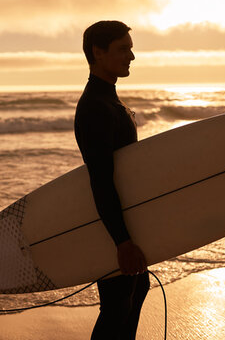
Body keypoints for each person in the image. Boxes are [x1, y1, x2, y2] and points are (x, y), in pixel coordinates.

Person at [74, 20, 149, 340]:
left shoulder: (111, 102)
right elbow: (101, 180)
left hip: (125, 222)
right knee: (117, 304)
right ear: (98, 52)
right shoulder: (95, 108)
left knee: (135, 290)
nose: (131, 56)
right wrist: (122, 242)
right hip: (113, 228)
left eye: (131, 48)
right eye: (123, 49)